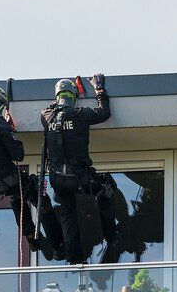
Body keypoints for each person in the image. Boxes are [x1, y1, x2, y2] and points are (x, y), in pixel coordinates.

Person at [0, 85, 64, 259]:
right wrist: (11, 133)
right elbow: (18, 155)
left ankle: (32, 240)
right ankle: (58, 242)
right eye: (1, 105)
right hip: (8, 178)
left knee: (17, 198)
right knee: (36, 192)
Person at [40, 74, 119, 265]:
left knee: (68, 216)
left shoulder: (46, 117)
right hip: (80, 178)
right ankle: (112, 241)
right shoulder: (81, 115)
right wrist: (99, 90)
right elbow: (104, 113)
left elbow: (53, 112)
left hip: (58, 179)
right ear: (74, 97)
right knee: (105, 191)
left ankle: (73, 259)